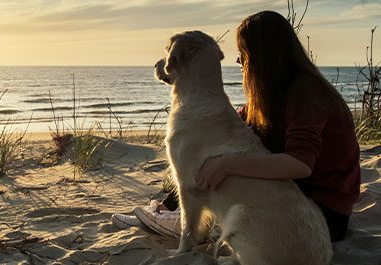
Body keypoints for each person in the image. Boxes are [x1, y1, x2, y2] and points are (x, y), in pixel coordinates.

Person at [112, 10, 360, 243]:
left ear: (263, 55)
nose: (239, 59)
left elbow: (300, 164)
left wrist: (226, 164)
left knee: (225, 160)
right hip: (295, 199)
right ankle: (168, 211)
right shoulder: (274, 93)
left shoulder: (306, 93)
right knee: (210, 150)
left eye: (243, 51)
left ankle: (180, 222)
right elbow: (231, 127)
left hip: (321, 215)